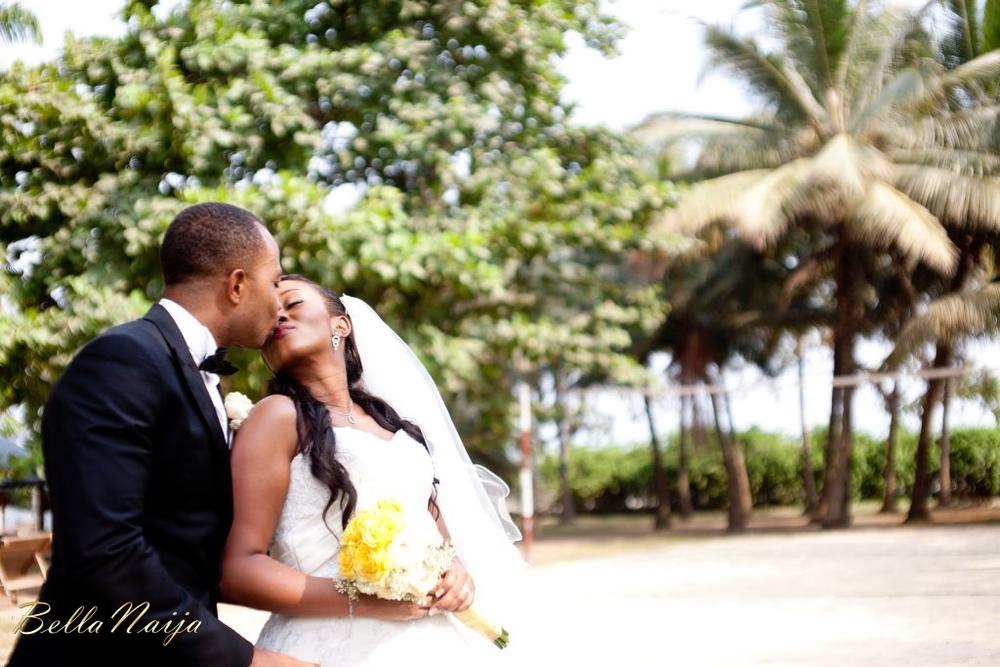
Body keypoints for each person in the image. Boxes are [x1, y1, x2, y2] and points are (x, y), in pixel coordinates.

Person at [9, 203, 314, 667]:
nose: (278, 301)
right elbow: (106, 552)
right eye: (273, 283)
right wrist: (244, 659)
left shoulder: (190, 372)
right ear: (236, 285)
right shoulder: (122, 361)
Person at [220, 275, 526, 666]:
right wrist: (367, 603)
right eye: (269, 312)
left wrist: (455, 573)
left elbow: (437, 539)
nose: (279, 314)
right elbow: (239, 569)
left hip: (433, 642)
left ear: (341, 325)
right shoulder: (277, 417)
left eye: (292, 303)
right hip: (326, 648)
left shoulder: (391, 423)